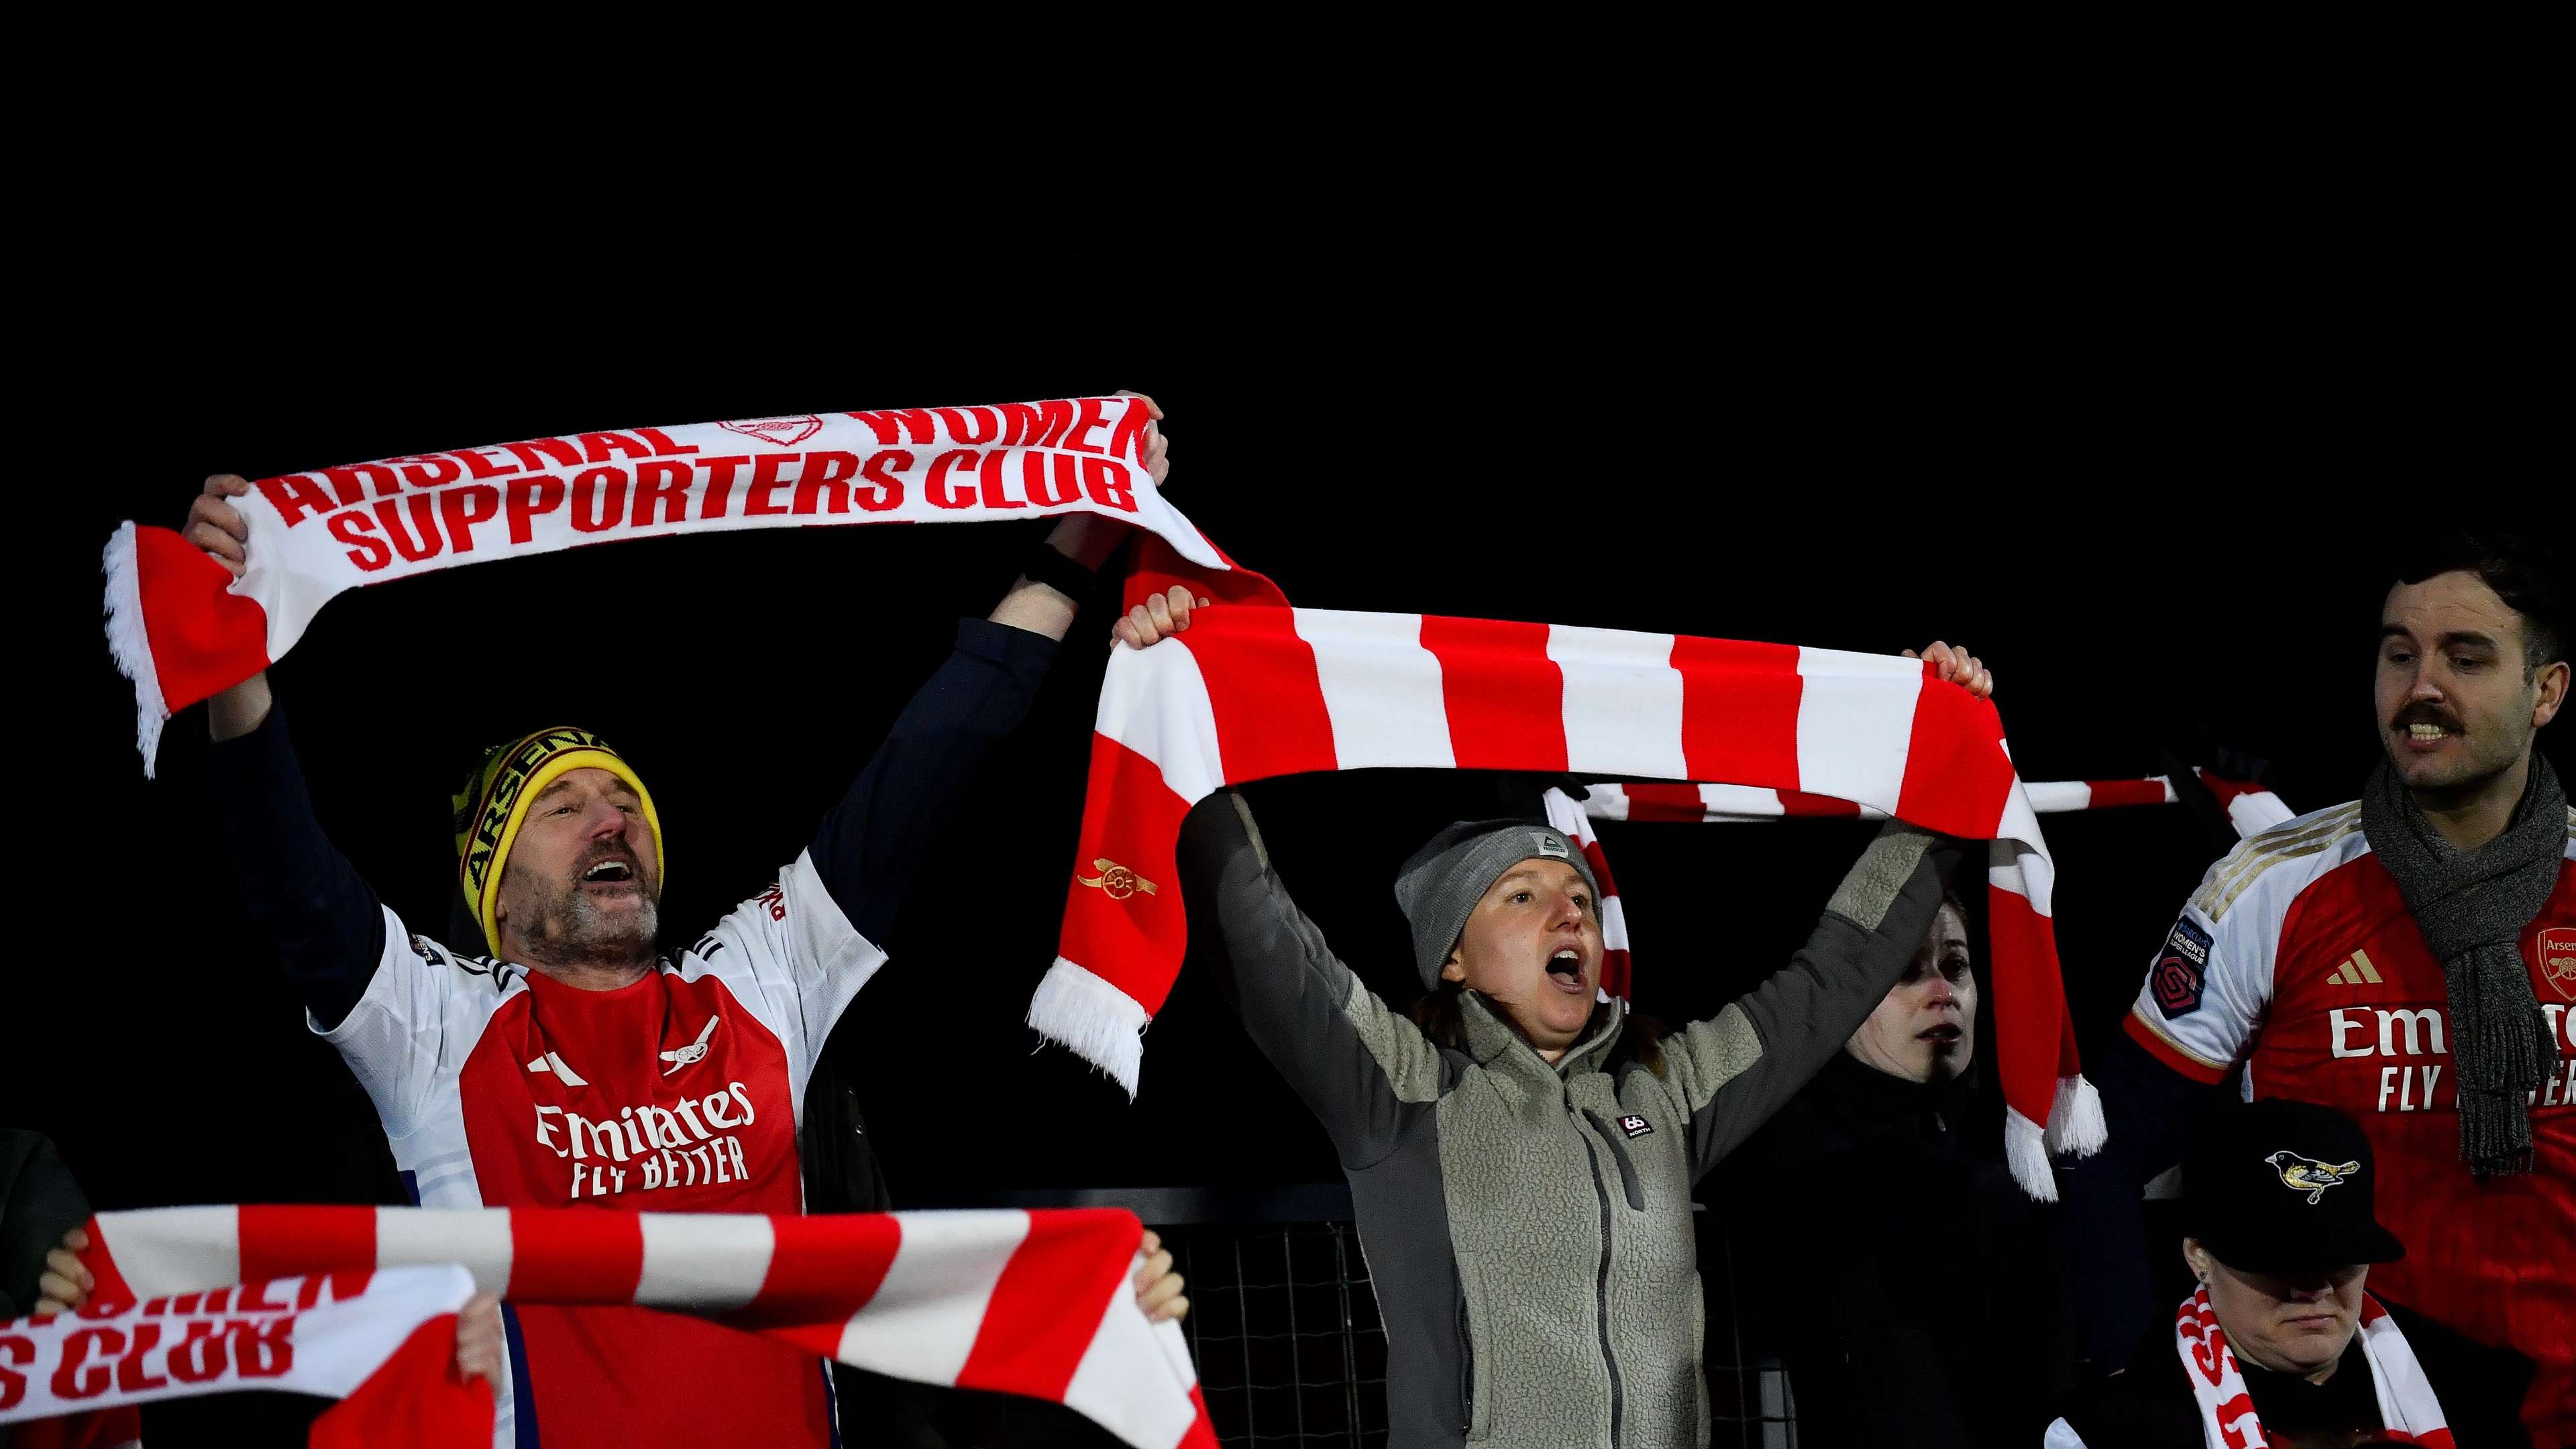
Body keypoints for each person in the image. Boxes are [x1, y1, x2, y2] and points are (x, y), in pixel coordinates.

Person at [164, 398, 1194, 1449]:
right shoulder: (435, 1024)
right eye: (563, 810)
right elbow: (288, 874)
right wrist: (227, 641)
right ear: (499, 897)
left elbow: (933, 758)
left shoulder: (756, 977)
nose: (611, 819)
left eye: (626, 807)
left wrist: (1087, 528)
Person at [1161, 615, 1990, 1446]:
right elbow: (1264, 937)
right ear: (1453, 958)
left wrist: (1940, 774)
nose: (1570, 911)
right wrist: (1179, 712)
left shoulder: (1667, 1091)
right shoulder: (1405, 1091)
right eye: (1522, 895)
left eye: (1581, 899)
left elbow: (1834, 975)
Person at [2075, 533, 2572, 1443]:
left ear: (2547, 692)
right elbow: (2102, 1146)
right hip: (2360, 1418)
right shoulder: (2272, 885)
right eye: (2398, 655)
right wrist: (2132, 1390)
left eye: (2465, 658)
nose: (2422, 686)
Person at [1714, 890, 2069, 1447]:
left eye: (1955, 967)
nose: (1942, 994)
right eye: (1903, 973)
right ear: (1840, 998)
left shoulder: (2019, 1142)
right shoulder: (1795, 1164)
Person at [2047, 1098, 2531, 1448]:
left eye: (2340, 1255)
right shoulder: (2107, 1433)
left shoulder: (2472, 1397)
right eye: (2278, 1260)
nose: (2314, 1286)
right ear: (2199, 1256)